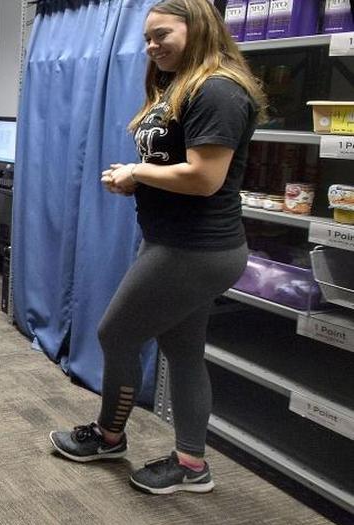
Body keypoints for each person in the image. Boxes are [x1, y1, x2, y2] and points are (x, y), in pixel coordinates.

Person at [49, 0, 265, 494]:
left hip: (196, 249)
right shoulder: (181, 85)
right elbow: (177, 168)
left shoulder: (218, 90)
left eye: (161, 34)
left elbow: (205, 178)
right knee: (183, 351)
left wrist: (137, 172)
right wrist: (138, 181)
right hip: (176, 243)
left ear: (198, 28)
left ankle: (109, 436)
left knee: (116, 334)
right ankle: (191, 463)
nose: (151, 45)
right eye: (147, 38)